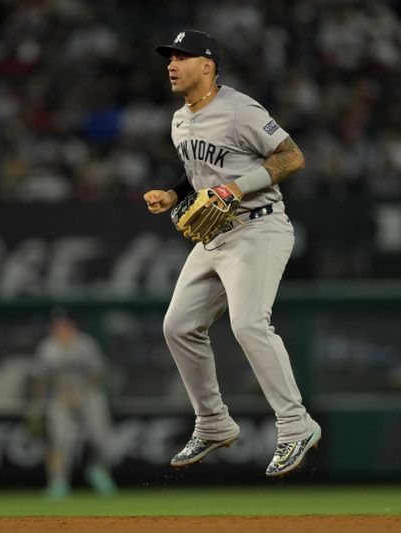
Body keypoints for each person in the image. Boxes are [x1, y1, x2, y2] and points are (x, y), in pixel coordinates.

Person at [143, 30, 321, 477]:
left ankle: (297, 425)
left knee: (248, 323)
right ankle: (213, 423)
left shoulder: (239, 108)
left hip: (259, 226)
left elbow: (292, 156)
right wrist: (173, 192)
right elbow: (198, 169)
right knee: (178, 326)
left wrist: (236, 188)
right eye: (170, 56)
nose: (172, 64)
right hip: (216, 236)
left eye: (182, 56)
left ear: (208, 65)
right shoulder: (180, 119)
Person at [33, 308, 117, 497]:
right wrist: (38, 406)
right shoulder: (46, 348)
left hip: (88, 395)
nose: (61, 328)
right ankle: (58, 483)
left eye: (64, 324)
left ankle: (98, 470)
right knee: (61, 441)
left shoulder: (86, 344)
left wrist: (79, 391)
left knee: (101, 438)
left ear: (72, 325)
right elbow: (41, 379)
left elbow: (99, 374)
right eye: (57, 325)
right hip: (59, 398)